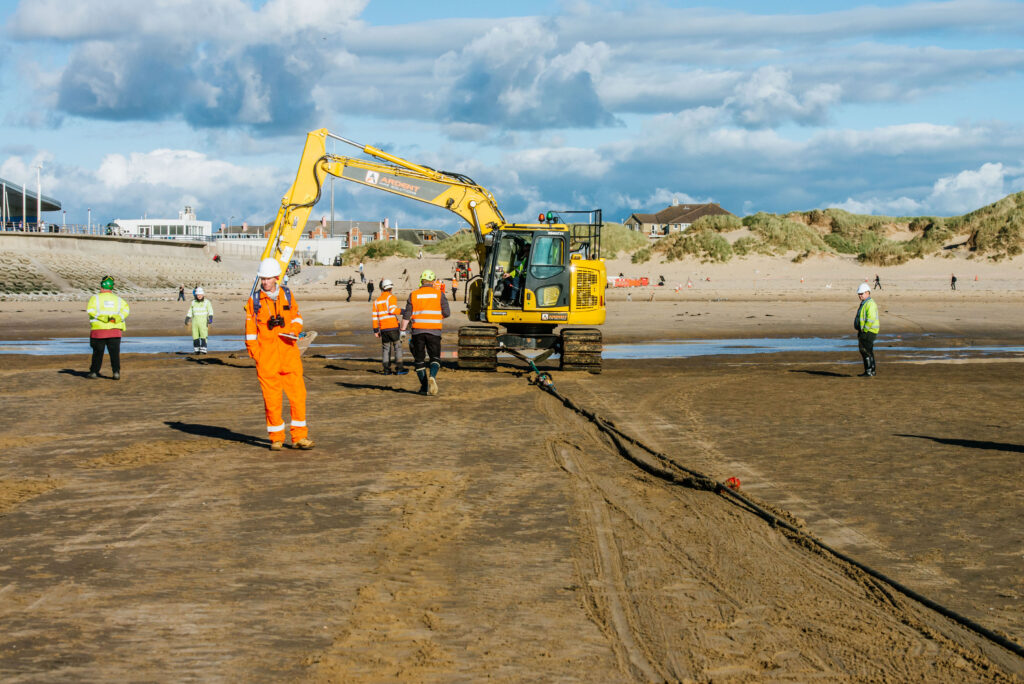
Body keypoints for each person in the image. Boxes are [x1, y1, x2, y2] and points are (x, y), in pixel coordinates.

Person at [245, 258, 314, 451]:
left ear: (276, 277)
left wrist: (293, 330)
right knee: (272, 401)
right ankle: (276, 438)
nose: (264, 282)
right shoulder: (255, 301)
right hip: (267, 360)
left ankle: (299, 437)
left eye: (267, 278)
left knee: (298, 397)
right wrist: (257, 355)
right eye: (262, 279)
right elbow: (250, 333)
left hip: (289, 355)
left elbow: (298, 317)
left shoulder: (287, 295)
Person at [400, 269, 450, 395]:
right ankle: (432, 376)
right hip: (434, 332)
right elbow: (447, 313)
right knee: (435, 358)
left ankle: (424, 387)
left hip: (417, 332)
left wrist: (402, 331)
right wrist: (437, 317)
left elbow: (407, 315)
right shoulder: (439, 294)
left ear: (421, 280)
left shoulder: (414, 294)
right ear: (433, 281)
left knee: (419, 360)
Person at [86, 276, 130, 380]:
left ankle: (94, 372)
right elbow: (126, 311)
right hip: (115, 331)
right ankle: (116, 372)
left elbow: (91, 311)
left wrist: (105, 318)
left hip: (99, 331)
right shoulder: (119, 300)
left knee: (97, 353)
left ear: (102, 286)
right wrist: (116, 319)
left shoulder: (95, 298)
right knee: (114, 354)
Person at [372, 279, 407, 375]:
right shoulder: (391, 297)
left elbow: (375, 317)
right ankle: (399, 368)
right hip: (393, 327)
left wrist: (376, 330)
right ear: (390, 288)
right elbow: (392, 310)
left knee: (386, 349)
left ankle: (386, 370)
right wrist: (404, 311)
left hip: (383, 329)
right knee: (397, 347)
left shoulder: (376, 301)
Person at [854, 282, 879, 377]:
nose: (860, 296)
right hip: (866, 331)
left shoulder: (870, 304)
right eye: (859, 294)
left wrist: (865, 330)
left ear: (867, 293)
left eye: (862, 294)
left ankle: (869, 371)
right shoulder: (865, 303)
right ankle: (871, 371)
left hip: (868, 331)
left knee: (865, 350)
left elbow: (870, 318)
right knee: (868, 350)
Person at [184, 286, 214, 354]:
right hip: (195, 323)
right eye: (198, 295)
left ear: (203, 295)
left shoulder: (207, 302)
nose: (199, 296)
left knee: (203, 336)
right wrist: (187, 318)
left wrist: (211, 318)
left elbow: (210, 311)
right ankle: (196, 350)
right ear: (196, 295)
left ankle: (203, 350)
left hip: (203, 322)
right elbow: (190, 311)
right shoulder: (193, 302)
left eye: (200, 295)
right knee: (195, 336)